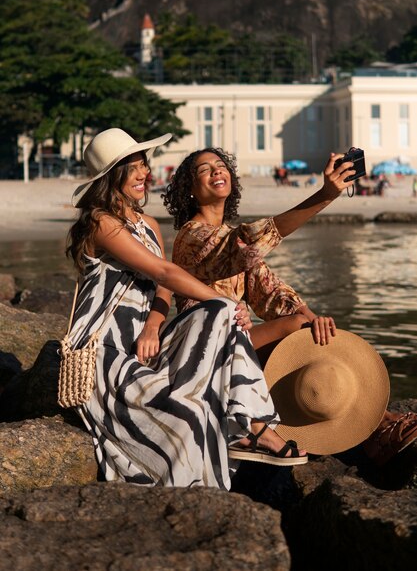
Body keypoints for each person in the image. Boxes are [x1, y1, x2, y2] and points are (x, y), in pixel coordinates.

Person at [65, 128, 308, 490]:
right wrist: (223, 300)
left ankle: (254, 428)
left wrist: (153, 325)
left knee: (220, 314)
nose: (143, 174)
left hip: (144, 341)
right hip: (106, 348)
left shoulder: (147, 225)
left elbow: (162, 286)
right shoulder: (102, 222)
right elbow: (164, 271)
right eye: (131, 168)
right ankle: (254, 431)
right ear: (112, 176)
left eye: (143, 165)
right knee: (219, 317)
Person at [162, 146, 417, 465]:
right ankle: (382, 427)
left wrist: (321, 329)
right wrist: (326, 195)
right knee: (300, 331)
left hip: (237, 345)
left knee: (316, 336)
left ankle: (379, 425)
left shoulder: (227, 237)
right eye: (204, 169)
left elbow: (272, 292)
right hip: (207, 349)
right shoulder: (192, 237)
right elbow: (247, 242)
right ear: (189, 190)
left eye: (221, 165)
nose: (216, 170)